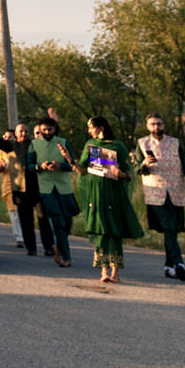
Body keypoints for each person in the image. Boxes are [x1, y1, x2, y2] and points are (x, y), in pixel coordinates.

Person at [75, 115, 145, 285]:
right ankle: (103, 270)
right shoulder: (90, 146)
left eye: (91, 127)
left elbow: (129, 173)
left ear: (101, 128)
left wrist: (120, 174)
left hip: (113, 194)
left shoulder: (117, 146)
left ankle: (116, 271)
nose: (89, 130)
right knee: (101, 231)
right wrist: (72, 162)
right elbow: (83, 170)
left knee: (113, 231)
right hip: (96, 194)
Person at [137, 112, 185, 281]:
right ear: (147, 126)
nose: (156, 127)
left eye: (159, 124)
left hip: (175, 192)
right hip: (154, 193)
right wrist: (144, 164)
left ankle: (168, 266)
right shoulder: (142, 143)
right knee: (169, 227)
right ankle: (179, 264)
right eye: (152, 124)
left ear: (164, 125)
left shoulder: (175, 143)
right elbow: (137, 169)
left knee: (171, 231)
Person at [0, 116, 40, 255]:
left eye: (26, 131)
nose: (24, 134)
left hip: (36, 187)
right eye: (20, 131)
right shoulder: (11, 146)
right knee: (25, 220)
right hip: (19, 188)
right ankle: (31, 247)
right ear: (16, 134)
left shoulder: (34, 145)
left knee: (42, 217)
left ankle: (50, 247)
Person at [26, 118, 78, 266]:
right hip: (46, 189)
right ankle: (66, 258)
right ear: (40, 130)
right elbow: (29, 166)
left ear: (55, 129)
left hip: (64, 188)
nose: (47, 132)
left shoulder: (63, 141)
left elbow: (72, 164)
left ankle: (58, 247)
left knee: (67, 222)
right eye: (44, 130)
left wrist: (60, 165)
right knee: (58, 222)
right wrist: (40, 166)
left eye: (50, 129)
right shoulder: (34, 144)